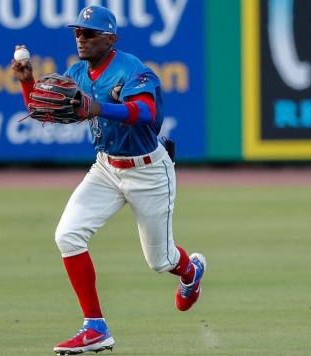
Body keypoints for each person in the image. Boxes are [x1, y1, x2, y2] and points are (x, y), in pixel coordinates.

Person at [11, 5, 206, 355]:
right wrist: (27, 82)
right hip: (106, 168)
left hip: (148, 171)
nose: (80, 38)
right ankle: (95, 327)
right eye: (77, 32)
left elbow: (145, 113)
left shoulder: (133, 69)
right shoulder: (78, 73)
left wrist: (96, 107)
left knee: (160, 262)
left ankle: (190, 270)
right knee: (68, 236)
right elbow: (45, 111)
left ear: (110, 38)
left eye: (89, 33)